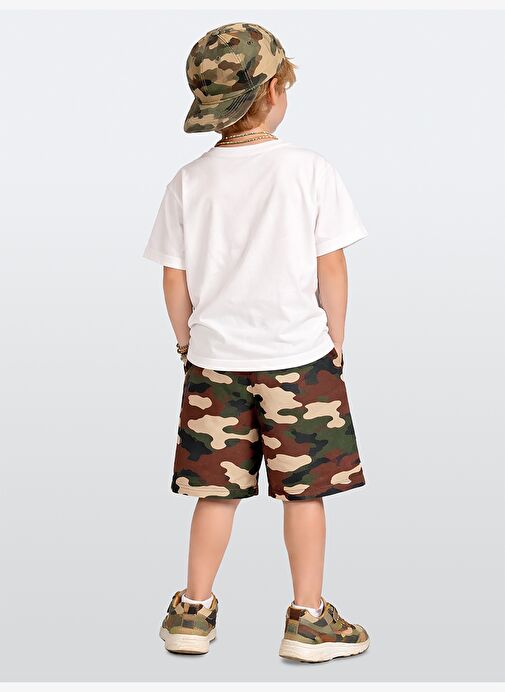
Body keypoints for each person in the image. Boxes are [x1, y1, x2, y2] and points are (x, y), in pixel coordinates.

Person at [142, 21, 370, 664]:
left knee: (215, 494)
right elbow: (332, 267)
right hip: (299, 361)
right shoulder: (309, 170)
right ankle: (308, 620)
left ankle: (192, 612)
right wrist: (336, 341)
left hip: (214, 364)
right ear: (273, 91)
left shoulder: (188, 181)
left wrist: (187, 344)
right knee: (305, 494)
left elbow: (174, 277)